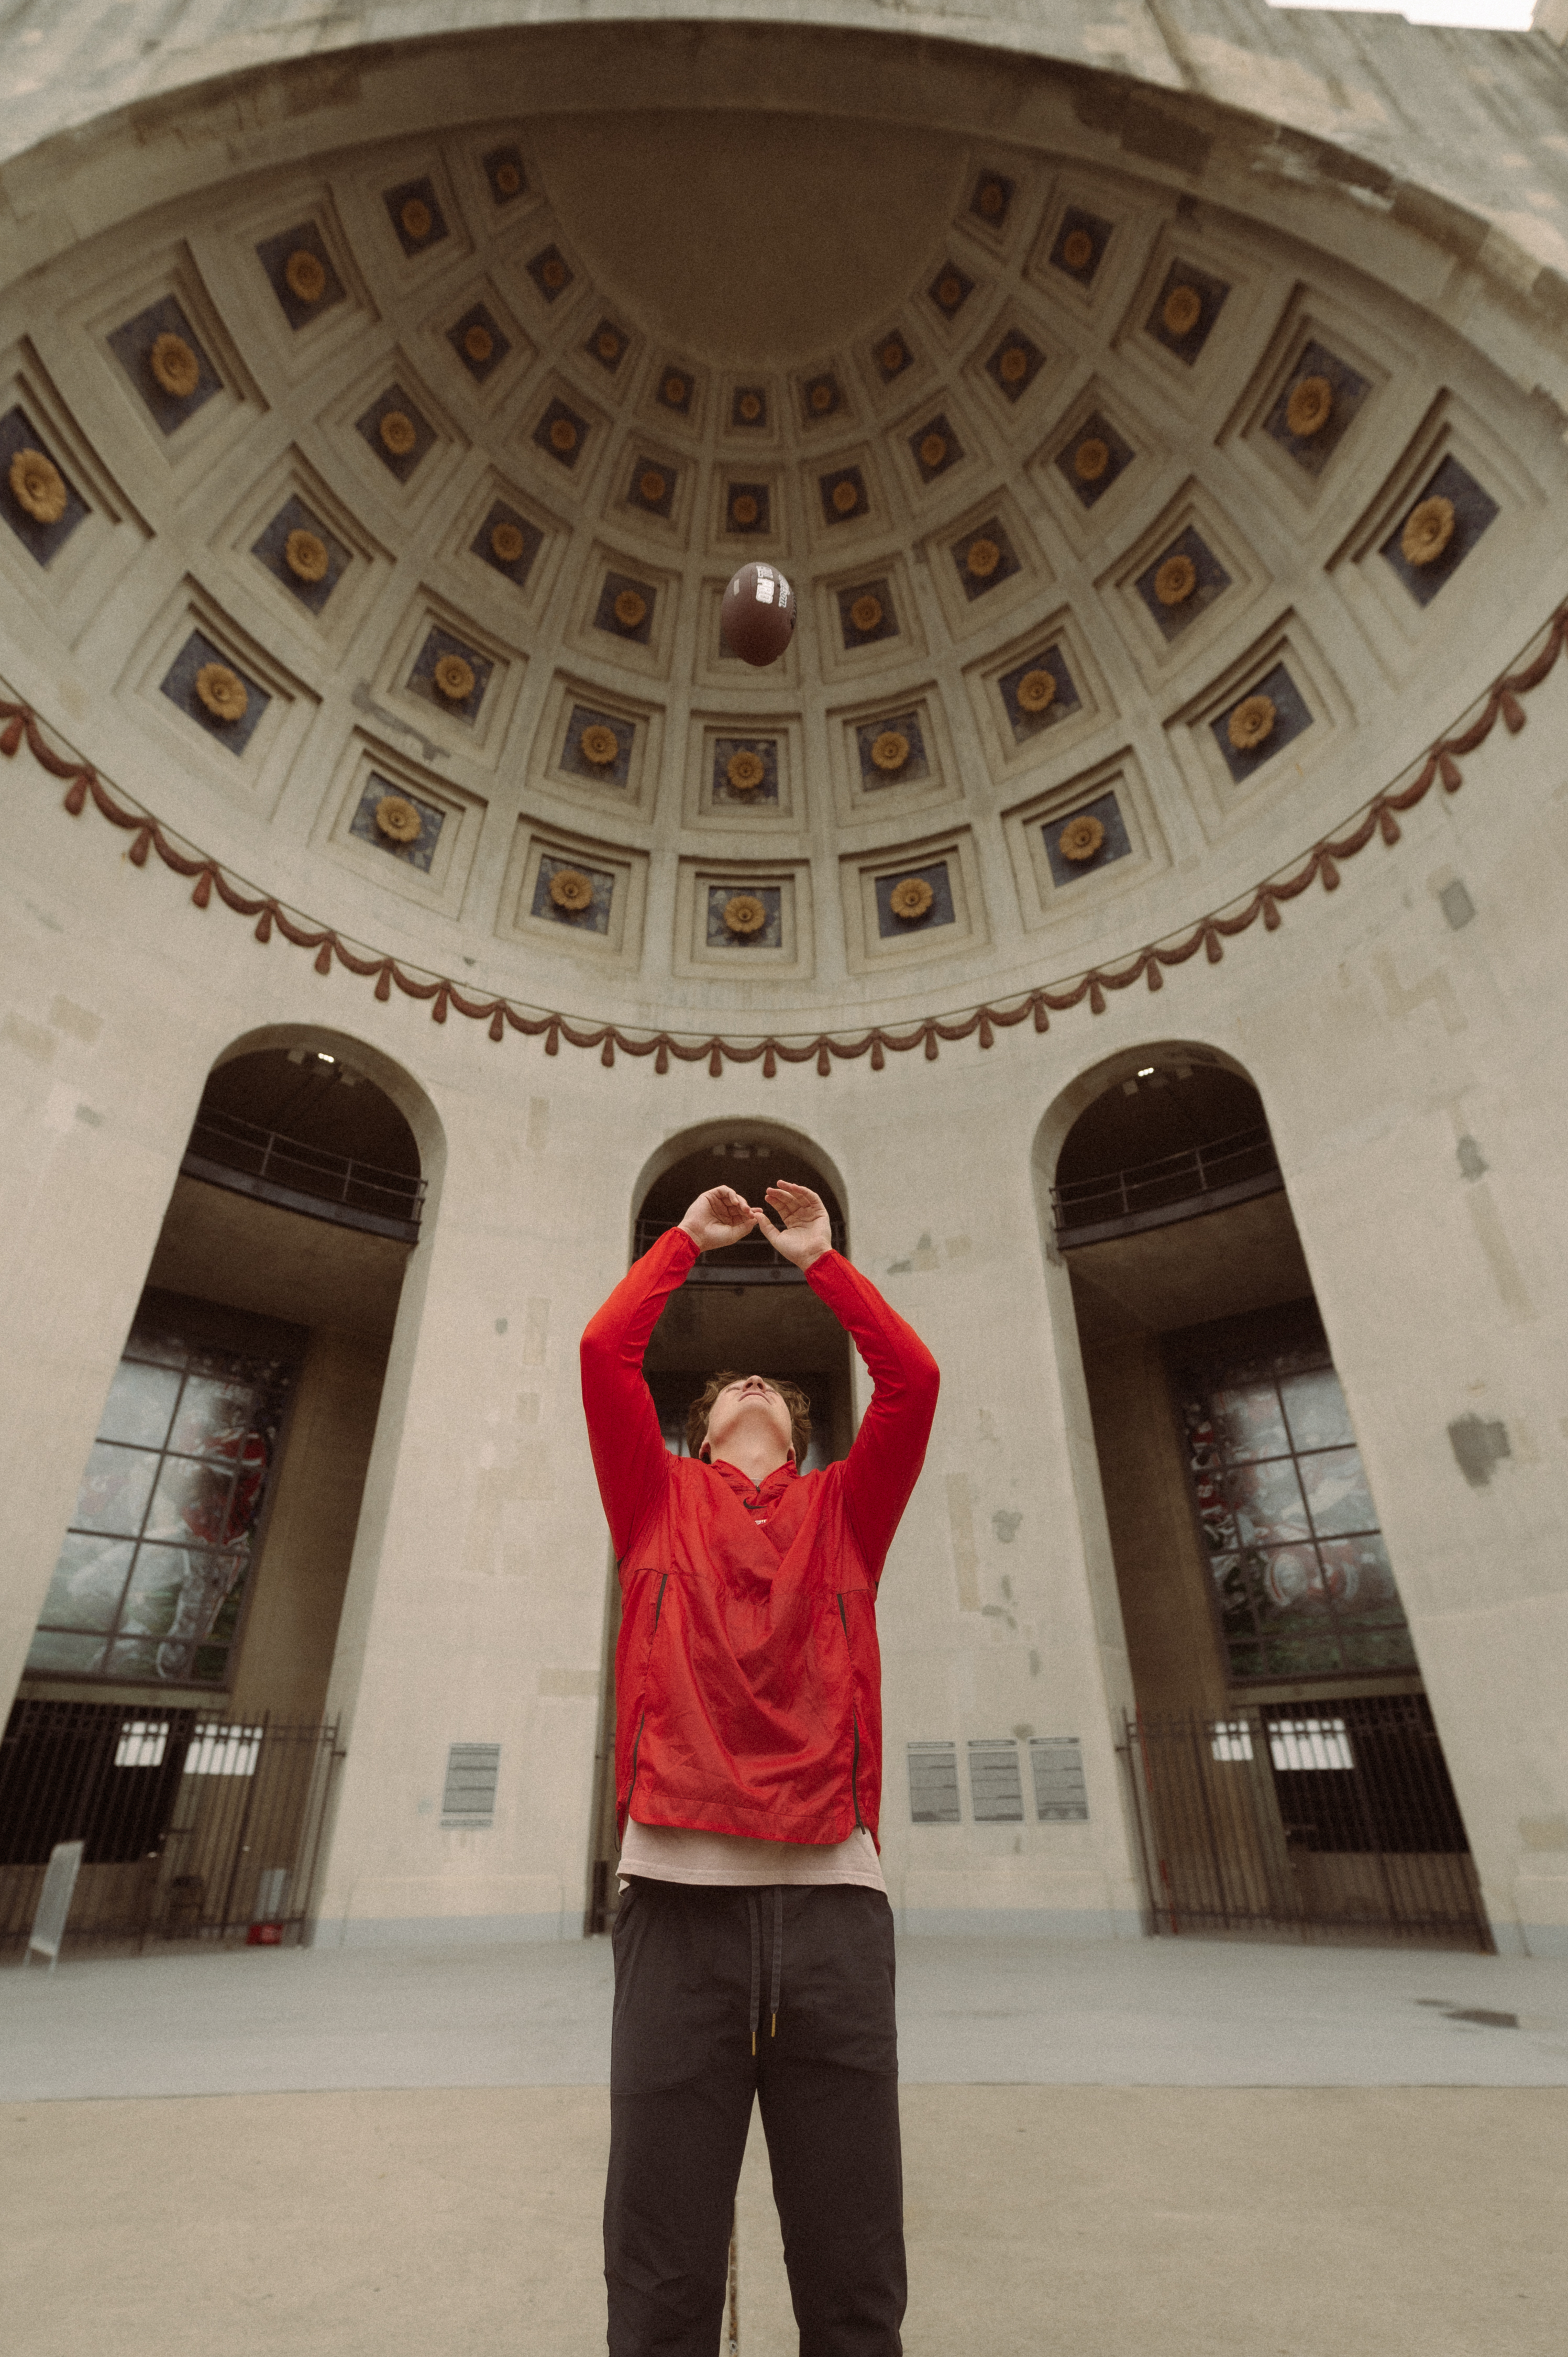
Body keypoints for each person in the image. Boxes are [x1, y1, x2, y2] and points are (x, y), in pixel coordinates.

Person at [580, 1177, 941, 2357]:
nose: (748, 1386)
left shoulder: (846, 1512)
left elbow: (915, 1383)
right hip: (678, 1916)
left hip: (833, 1914)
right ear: (693, 1431)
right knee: (661, 2281)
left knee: (853, 2280)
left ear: (802, 1430)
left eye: (774, 1391)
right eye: (727, 1385)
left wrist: (822, 1263)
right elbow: (604, 1348)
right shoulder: (654, 1501)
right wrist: (684, 1242)